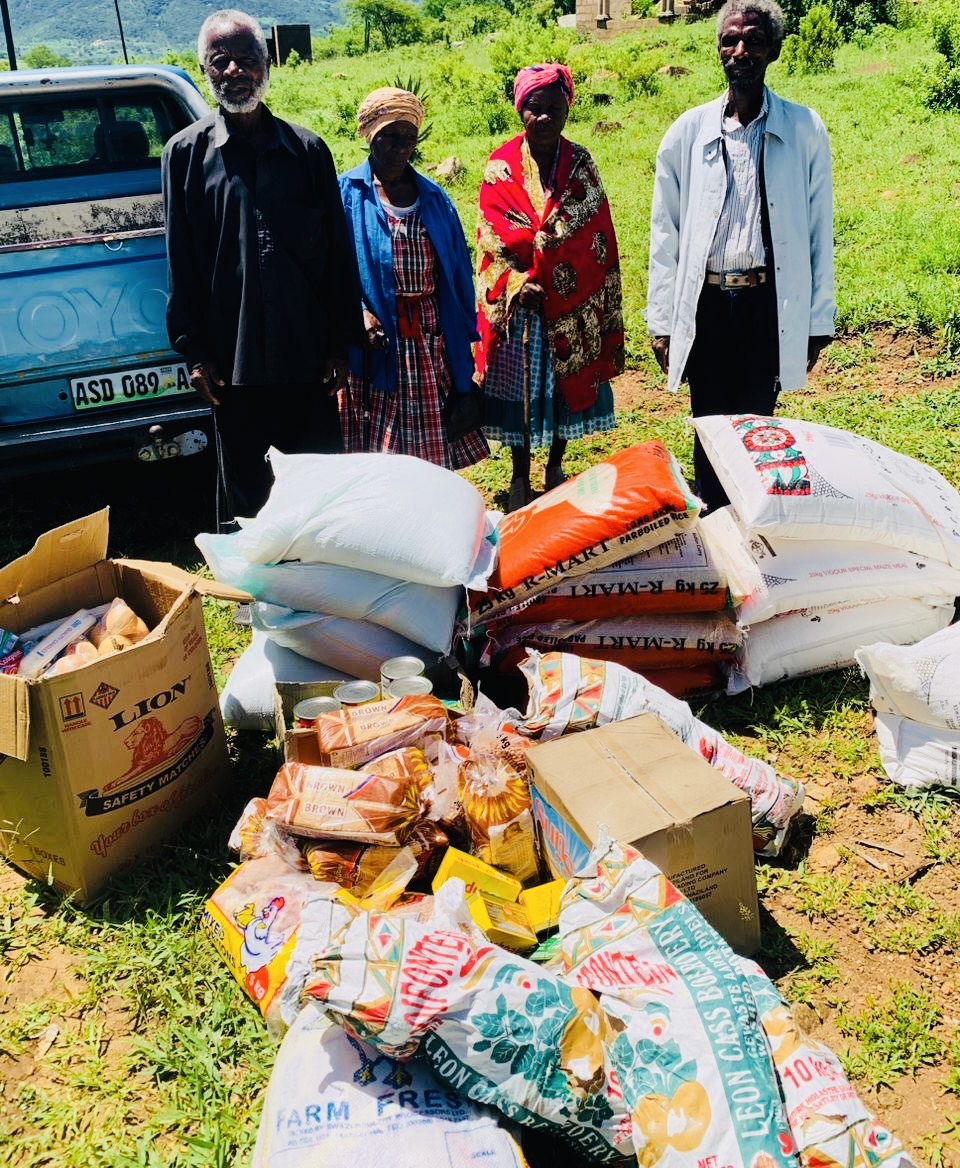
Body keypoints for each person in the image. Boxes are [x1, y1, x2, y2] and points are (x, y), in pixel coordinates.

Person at [162, 9, 362, 521]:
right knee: (249, 497)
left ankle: (319, 593)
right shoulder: (184, 155)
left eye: (245, 59)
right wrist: (195, 353)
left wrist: (340, 342)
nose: (233, 71)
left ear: (266, 63)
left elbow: (337, 253)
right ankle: (258, 596)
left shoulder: (308, 149)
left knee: (317, 489)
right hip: (232, 363)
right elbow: (181, 260)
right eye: (219, 60)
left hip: (307, 357)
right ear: (205, 69)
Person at [646, 0, 835, 512]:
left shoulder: (804, 129)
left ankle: (752, 527)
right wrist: (662, 320)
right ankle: (713, 524)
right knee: (708, 424)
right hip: (706, 304)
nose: (740, 51)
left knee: (757, 425)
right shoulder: (687, 132)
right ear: (718, 50)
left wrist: (817, 322)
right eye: (730, 40)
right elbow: (666, 233)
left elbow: (819, 230)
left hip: (766, 304)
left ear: (773, 49)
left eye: (753, 40)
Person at [475, 64, 624, 513]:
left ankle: (556, 464)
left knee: (565, 389)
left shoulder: (580, 163)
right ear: (521, 110)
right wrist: (519, 283)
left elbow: (596, 229)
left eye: (553, 109)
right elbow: (489, 237)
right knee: (522, 391)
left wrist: (568, 276)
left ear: (566, 111)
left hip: (573, 301)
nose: (543, 118)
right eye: (534, 109)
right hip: (522, 308)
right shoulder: (500, 167)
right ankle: (520, 474)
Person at [338, 87, 488, 469]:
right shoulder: (346, 194)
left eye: (408, 137)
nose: (400, 147)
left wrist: (461, 350)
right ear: (370, 135)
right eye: (390, 136)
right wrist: (355, 313)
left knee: (431, 455)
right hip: (377, 343)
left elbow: (457, 277)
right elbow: (326, 267)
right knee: (379, 456)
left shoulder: (434, 198)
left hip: (429, 339)